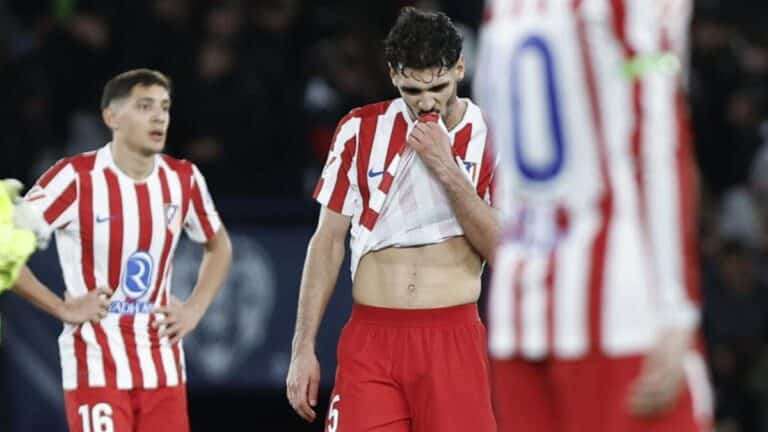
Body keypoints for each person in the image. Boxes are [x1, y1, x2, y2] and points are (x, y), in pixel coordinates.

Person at [474, 1, 712, 431]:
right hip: (622, 317)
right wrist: (676, 309)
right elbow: (658, 141)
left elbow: (491, 136)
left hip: (517, 315)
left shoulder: (503, 8)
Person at [286, 7, 498, 432]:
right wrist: (302, 347)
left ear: (460, 67)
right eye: (411, 90)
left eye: (438, 87)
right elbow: (326, 242)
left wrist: (447, 169)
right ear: (393, 74)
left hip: (452, 339)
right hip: (371, 340)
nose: (426, 103)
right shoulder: (357, 130)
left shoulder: (492, 135)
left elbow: (503, 250)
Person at [10, 68, 232, 432]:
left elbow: (218, 244)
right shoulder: (74, 178)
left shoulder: (183, 178)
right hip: (95, 365)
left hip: (163, 365)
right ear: (111, 117)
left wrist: (195, 308)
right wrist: (62, 308)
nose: (160, 116)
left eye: (164, 106)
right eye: (145, 106)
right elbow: (6, 247)